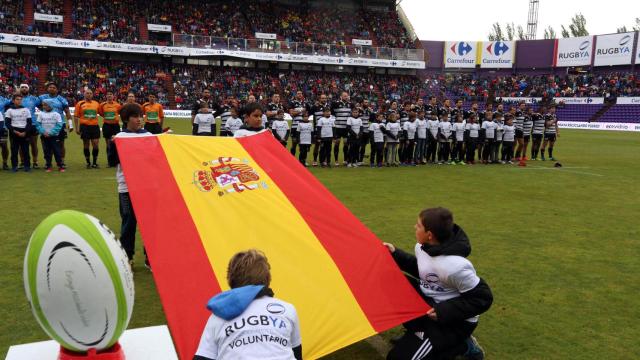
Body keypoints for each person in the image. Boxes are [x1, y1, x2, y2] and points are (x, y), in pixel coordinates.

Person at [383, 207, 492, 360]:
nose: (415, 227)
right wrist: (395, 254)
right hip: (429, 305)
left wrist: (443, 311)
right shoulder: (422, 247)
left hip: (454, 322)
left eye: (419, 225)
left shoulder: (456, 266)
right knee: (391, 280)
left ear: (429, 235)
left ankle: (464, 346)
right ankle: (416, 334)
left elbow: (482, 298)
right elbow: (426, 272)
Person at [194, 249, 302, 360]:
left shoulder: (218, 315)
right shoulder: (287, 309)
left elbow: (202, 358)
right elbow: (297, 355)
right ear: (267, 278)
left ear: (231, 279)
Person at [108, 103, 153, 269]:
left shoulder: (148, 135)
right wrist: (113, 146)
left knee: (149, 225)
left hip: (146, 187)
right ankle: (127, 256)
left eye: (141, 116)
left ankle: (151, 258)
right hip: (126, 188)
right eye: (136, 116)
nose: (139, 119)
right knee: (128, 223)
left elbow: (154, 159)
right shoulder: (119, 137)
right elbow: (112, 162)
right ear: (127, 119)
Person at [39, 82, 72, 167]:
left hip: (60, 124)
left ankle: (62, 161)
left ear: (57, 90)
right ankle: (48, 162)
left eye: (54, 87)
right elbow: (34, 105)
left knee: (61, 144)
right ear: (47, 89)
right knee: (46, 145)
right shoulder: (42, 98)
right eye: (50, 87)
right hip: (46, 124)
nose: (52, 88)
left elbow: (67, 111)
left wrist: (70, 124)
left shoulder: (61, 99)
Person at [74, 89, 102, 169]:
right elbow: (76, 116)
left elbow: (101, 113)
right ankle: (88, 162)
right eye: (87, 93)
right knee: (86, 144)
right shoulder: (80, 103)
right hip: (84, 126)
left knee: (95, 144)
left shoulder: (96, 104)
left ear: (92, 95)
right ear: (84, 94)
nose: (89, 95)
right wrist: (77, 128)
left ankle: (95, 162)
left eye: (90, 93)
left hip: (95, 126)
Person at [5, 94, 33, 172]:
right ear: (13, 101)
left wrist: (25, 132)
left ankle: (27, 166)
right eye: (17, 99)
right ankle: (14, 166)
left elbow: (29, 123)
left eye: (20, 99)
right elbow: (7, 123)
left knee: (26, 150)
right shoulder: (9, 110)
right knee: (14, 151)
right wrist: (14, 131)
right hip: (14, 132)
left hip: (25, 131)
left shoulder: (26, 110)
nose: (19, 101)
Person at [34, 100, 64, 172]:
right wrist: (43, 132)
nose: (44, 106)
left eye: (46, 105)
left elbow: (59, 125)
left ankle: (60, 166)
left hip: (54, 136)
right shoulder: (41, 114)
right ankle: (48, 166)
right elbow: (38, 125)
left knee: (57, 151)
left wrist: (51, 133)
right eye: (43, 105)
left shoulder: (56, 114)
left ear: (50, 105)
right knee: (47, 152)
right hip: (44, 136)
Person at [18, 84, 41, 169]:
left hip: (33, 124)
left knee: (34, 144)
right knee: (21, 145)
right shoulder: (16, 99)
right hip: (19, 124)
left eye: (26, 87)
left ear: (28, 89)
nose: (24, 89)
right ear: (20, 89)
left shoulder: (34, 99)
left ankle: (35, 162)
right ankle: (22, 162)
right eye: (22, 87)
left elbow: (42, 106)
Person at [99, 91, 122, 165]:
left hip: (115, 126)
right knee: (108, 144)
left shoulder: (117, 105)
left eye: (111, 94)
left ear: (113, 96)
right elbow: (101, 113)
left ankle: (116, 161)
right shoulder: (102, 105)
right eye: (108, 94)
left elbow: (119, 113)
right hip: (107, 125)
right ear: (106, 96)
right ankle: (110, 161)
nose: (109, 96)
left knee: (116, 143)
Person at [331, 91, 352, 166]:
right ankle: (336, 160)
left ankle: (345, 160)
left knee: (346, 143)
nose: (345, 97)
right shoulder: (336, 104)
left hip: (346, 128)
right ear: (341, 96)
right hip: (338, 127)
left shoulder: (350, 104)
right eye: (344, 96)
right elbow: (332, 114)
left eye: (346, 96)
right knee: (337, 143)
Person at [310, 94, 329, 166]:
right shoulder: (315, 107)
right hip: (317, 129)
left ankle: (324, 160)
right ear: (319, 99)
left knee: (326, 145)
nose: (324, 99)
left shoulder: (328, 107)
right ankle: (315, 160)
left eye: (325, 98)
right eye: (322, 98)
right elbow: (309, 113)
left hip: (327, 129)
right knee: (317, 145)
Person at [289, 90, 306, 156]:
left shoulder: (304, 103)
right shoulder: (292, 103)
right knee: (294, 143)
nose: (300, 95)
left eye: (301, 93)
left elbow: (306, 113)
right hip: (295, 126)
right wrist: (301, 110)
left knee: (302, 144)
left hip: (303, 126)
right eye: (298, 93)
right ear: (296, 95)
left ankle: (302, 160)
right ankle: (292, 159)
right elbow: (292, 113)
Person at [358, 99, 373, 165]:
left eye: (367, 102)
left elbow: (371, 119)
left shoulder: (368, 110)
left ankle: (360, 160)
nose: (366, 103)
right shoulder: (358, 110)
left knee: (364, 146)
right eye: (365, 102)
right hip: (359, 131)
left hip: (367, 131)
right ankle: (356, 160)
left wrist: (372, 112)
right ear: (362, 103)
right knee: (358, 146)